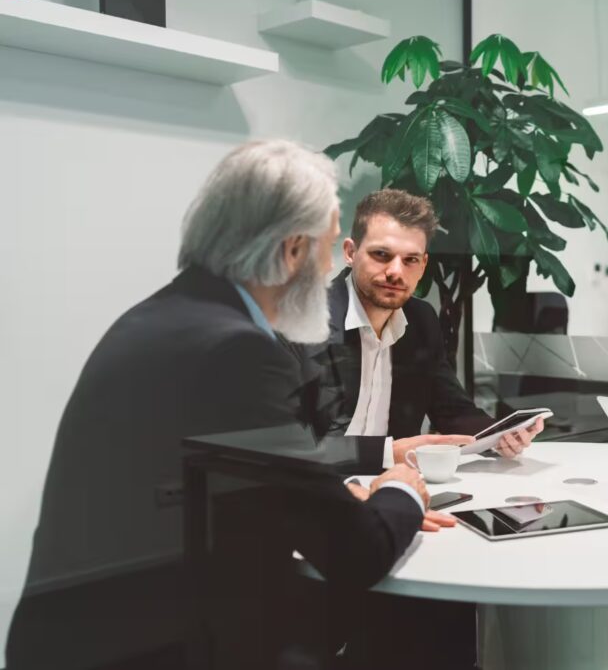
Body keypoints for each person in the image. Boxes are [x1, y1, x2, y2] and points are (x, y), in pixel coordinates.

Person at [5, 141, 445, 669]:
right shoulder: (238, 352)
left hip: (85, 635)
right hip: (154, 646)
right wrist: (402, 489)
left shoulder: (162, 317)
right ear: (291, 250)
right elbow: (354, 554)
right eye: (329, 248)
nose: (331, 268)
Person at [299, 188, 545, 669]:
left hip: (401, 494)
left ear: (424, 264)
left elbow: (452, 410)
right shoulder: (305, 319)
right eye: (381, 255)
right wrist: (388, 453)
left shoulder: (421, 319)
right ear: (350, 254)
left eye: (411, 260)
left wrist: (501, 434)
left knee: (445, 621)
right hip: (328, 499)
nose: (396, 272)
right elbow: (299, 445)